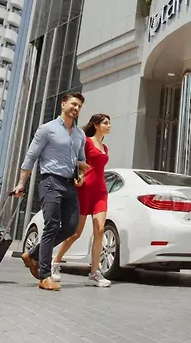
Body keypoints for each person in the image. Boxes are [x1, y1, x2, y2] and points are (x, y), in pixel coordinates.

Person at [12, 92, 90, 291]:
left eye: (79, 106)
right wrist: (21, 184)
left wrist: (81, 173)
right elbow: (31, 156)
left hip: (70, 185)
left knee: (71, 227)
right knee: (52, 225)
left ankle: (33, 254)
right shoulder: (47, 129)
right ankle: (45, 276)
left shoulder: (80, 135)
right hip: (50, 181)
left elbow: (81, 160)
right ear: (63, 104)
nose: (76, 108)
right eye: (73, 104)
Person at [52, 114, 112, 288]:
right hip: (84, 190)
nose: (109, 126)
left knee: (100, 229)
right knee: (76, 233)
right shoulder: (86, 142)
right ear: (96, 125)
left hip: (100, 191)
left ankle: (94, 273)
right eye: (105, 123)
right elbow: (74, 160)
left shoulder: (105, 147)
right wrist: (77, 176)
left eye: (109, 123)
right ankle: (55, 262)